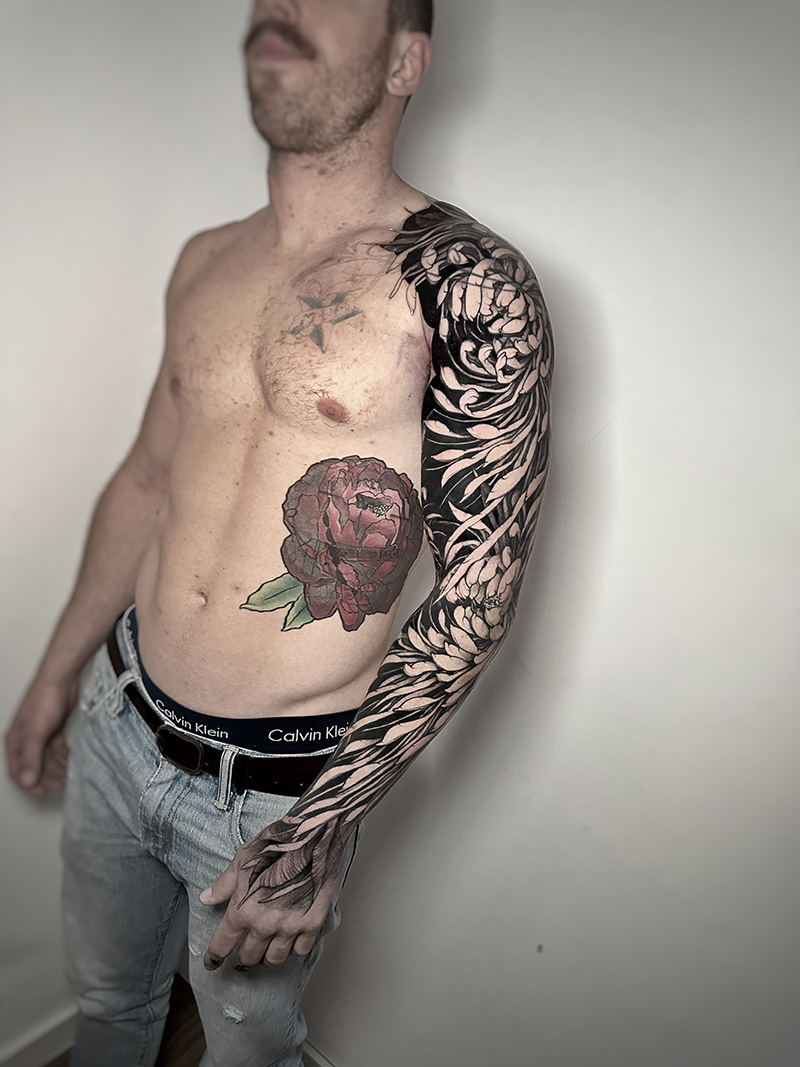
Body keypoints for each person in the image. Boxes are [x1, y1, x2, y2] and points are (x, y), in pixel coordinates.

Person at [4, 1, 553, 1064]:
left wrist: (318, 826)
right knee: (109, 1002)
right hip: (119, 717)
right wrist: (55, 671)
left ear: (405, 60)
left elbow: (475, 589)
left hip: (272, 791)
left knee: (251, 1051)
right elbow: (146, 480)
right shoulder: (204, 259)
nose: (280, 5)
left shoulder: (465, 284)